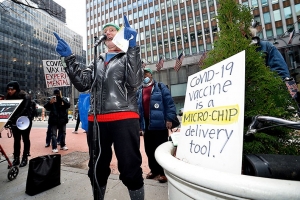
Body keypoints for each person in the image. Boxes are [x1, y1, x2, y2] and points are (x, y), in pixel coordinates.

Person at [53, 15, 144, 200]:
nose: (107, 33)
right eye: (104, 31)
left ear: (120, 35)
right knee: (96, 167)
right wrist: (69, 59)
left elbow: (134, 81)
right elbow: (82, 84)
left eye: (112, 30)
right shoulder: (96, 61)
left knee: (129, 166)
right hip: (97, 121)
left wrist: (133, 48)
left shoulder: (128, 56)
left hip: (124, 119)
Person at [136, 68, 177, 183]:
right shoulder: (140, 90)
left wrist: (169, 118)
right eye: (142, 75)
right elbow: (137, 108)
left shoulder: (160, 86)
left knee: (161, 149)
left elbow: (169, 103)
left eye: (146, 74)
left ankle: (163, 173)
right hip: (147, 124)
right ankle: (154, 170)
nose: (144, 76)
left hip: (160, 124)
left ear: (151, 75)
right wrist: (139, 125)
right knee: (149, 149)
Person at [4, 81, 33, 167]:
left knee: (25, 139)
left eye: (12, 89)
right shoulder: (8, 97)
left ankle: (25, 158)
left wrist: (15, 118)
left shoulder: (25, 96)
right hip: (14, 120)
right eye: (8, 89)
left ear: (16, 89)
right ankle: (16, 158)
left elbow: (25, 109)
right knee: (16, 140)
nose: (9, 91)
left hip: (25, 120)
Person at [44, 88, 70, 153]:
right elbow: (46, 107)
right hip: (54, 119)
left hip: (62, 119)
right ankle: (54, 147)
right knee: (54, 134)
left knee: (63, 133)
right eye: (56, 94)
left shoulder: (63, 98)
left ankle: (62, 145)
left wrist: (62, 99)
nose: (57, 95)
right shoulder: (51, 99)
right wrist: (50, 102)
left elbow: (68, 105)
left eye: (58, 94)